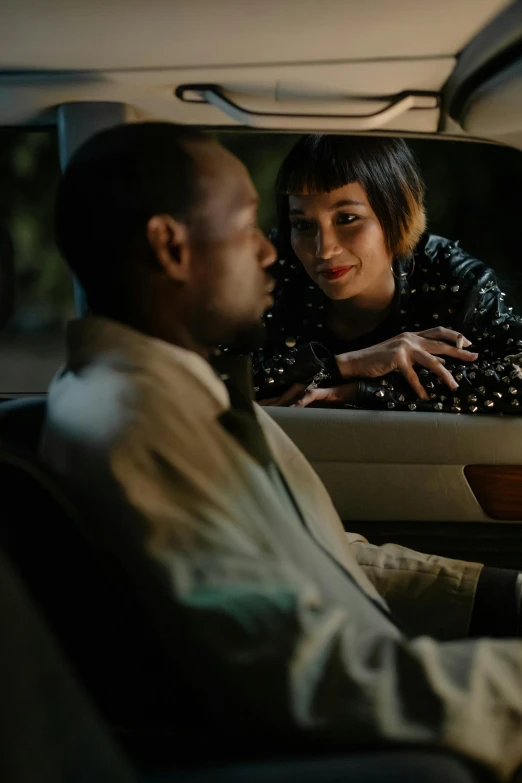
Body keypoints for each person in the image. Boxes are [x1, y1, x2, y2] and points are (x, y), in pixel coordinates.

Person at [40, 123, 522, 781]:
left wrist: (500, 594)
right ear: (171, 246)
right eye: (247, 228)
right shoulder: (136, 425)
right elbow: (309, 677)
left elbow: (325, 558)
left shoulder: (180, 390)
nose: (276, 255)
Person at [253, 134, 522, 413]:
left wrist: (364, 392)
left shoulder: (454, 280)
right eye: (303, 225)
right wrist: (349, 364)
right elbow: (215, 380)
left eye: (347, 219)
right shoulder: (274, 268)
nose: (324, 250)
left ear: (399, 214)